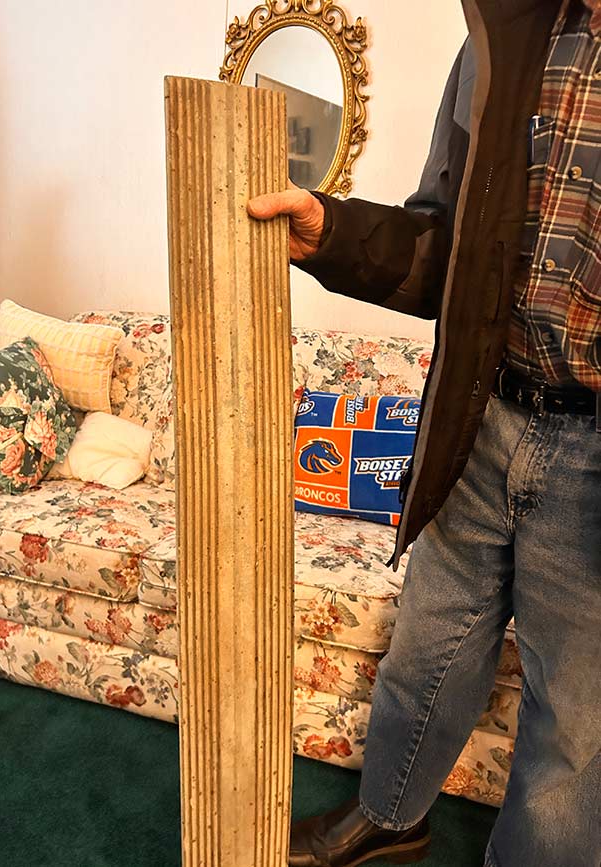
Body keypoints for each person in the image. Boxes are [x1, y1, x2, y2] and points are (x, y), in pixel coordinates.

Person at [247, 1, 601, 865]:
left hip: (594, 456)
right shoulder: (505, 29)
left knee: (574, 737)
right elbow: (446, 245)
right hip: (481, 412)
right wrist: (332, 231)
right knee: (424, 655)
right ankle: (391, 818)